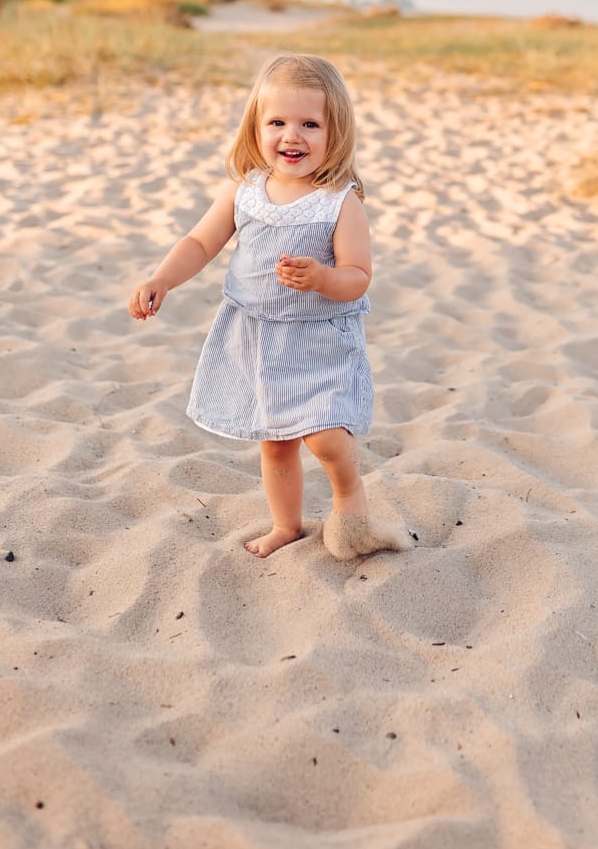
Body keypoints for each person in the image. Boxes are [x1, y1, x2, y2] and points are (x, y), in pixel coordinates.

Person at [128, 53, 406, 562]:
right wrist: (162, 278)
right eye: (277, 122)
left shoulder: (339, 202)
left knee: (326, 439)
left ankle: (352, 514)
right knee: (275, 443)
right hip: (257, 337)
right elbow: (200, 242)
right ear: (255, 127)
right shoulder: (246, 191)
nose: (291, 136)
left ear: (336, 131)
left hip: (318, 341)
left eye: (310, 124)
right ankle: (287, 525)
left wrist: (323, 278)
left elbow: (358, 277)